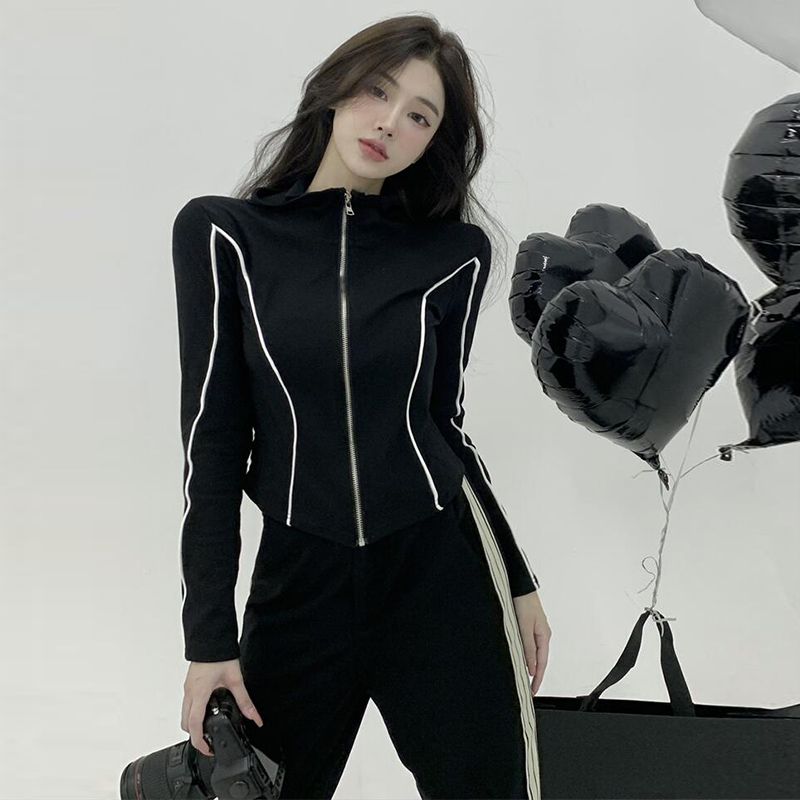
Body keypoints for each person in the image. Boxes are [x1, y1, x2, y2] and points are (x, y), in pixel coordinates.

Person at [174, 13, 551, 799]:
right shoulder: (225, 235)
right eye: (378, 92)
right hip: (300, 583)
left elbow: (443, 427)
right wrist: (207, 639)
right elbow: (213, 444)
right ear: (334, 90)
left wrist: (517, 581)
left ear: (434, 141)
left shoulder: (453, 254)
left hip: (439, 575)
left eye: (420, 115)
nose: (389, 123)